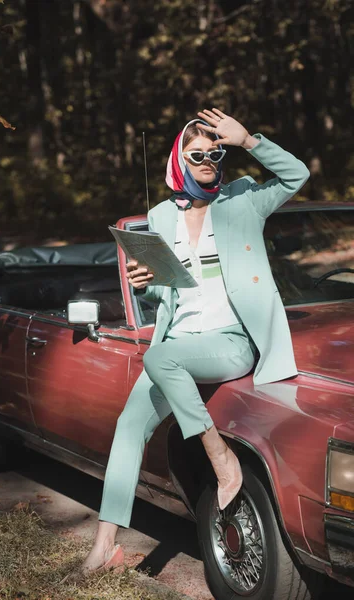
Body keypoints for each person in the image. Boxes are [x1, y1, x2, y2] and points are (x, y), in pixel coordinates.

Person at [72, 108, 310, 577]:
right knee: (128, 426)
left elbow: (296, 175)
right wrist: (145, 282)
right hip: (177, 343)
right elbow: (170, 288)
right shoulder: (161, 215)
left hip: (229, 341)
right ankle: (104, 549)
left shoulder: (243, 198)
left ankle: (220, 456)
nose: (207, 160)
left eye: (214, 152)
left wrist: (248, 140)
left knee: (159, 357)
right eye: (196, 153)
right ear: (179, 160)